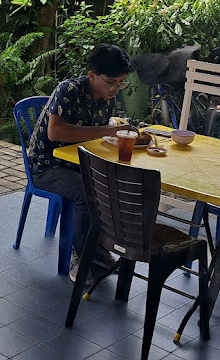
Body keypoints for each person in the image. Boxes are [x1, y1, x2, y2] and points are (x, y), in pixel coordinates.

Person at [27, 43, 134, 283]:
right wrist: (107, 131)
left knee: (113, 185)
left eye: (121, 83)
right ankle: (79, 257)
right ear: (92, 76)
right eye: (111, 82)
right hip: (47, 165)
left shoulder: (107, 97)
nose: (116, 89)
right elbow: (55, 132)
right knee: (87, 192)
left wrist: (115, 134)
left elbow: (97, 134)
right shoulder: (69, 90)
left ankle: (97, 248)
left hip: (77, 162)